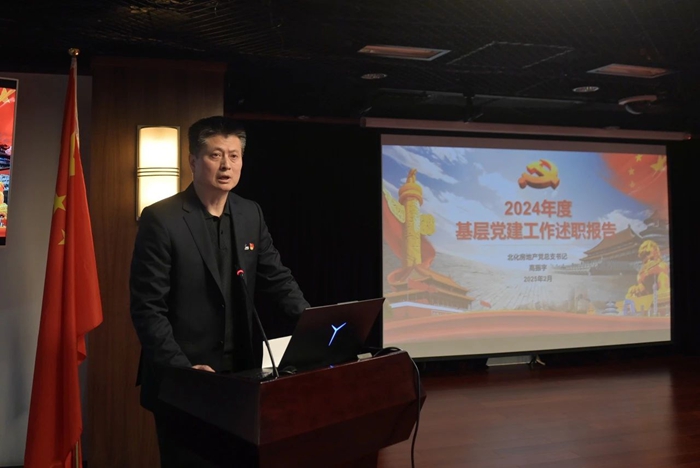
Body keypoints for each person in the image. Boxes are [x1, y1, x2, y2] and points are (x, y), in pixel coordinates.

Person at [129, 116, 309, 467]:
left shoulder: (250, 213)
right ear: (193, 161)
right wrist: (183, 370)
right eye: (215, 155)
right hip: (183, 382)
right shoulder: (161, 219)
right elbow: (147, 308)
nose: (226, 165)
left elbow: (278, 279)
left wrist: (315, 326)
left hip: (241, 380)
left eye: (234, 155)